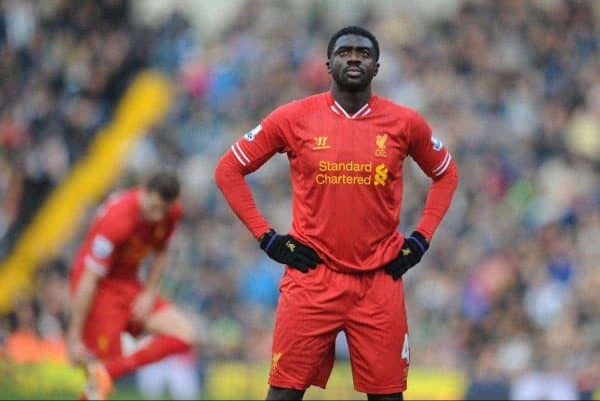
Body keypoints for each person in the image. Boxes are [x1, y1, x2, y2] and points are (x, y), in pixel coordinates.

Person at [215, 26, 459, 400]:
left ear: (377, 66)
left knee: (388, 397)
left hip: (379, 280)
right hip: (312, 278)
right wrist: (268, 239)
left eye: (364, 53)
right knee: (283, 394)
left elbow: (446, 173)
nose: (355, 58)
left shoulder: (404, 122)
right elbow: (228, 170)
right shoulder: (293, 118)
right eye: (345, 51)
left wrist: (421, 239)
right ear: (328, 64)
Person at [67, 170, 198, 400]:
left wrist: (149, 292)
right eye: (154, 208)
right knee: (101, 386)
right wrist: (74, 336)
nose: (158, 217)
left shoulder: (171, 213)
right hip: (99, 289)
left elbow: (161, 251)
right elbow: (89, 279)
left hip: (130, 284)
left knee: (185, 335)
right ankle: (108, 370)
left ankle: (109, 370)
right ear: (144, 191)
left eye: (163, 210)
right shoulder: (115, 221)